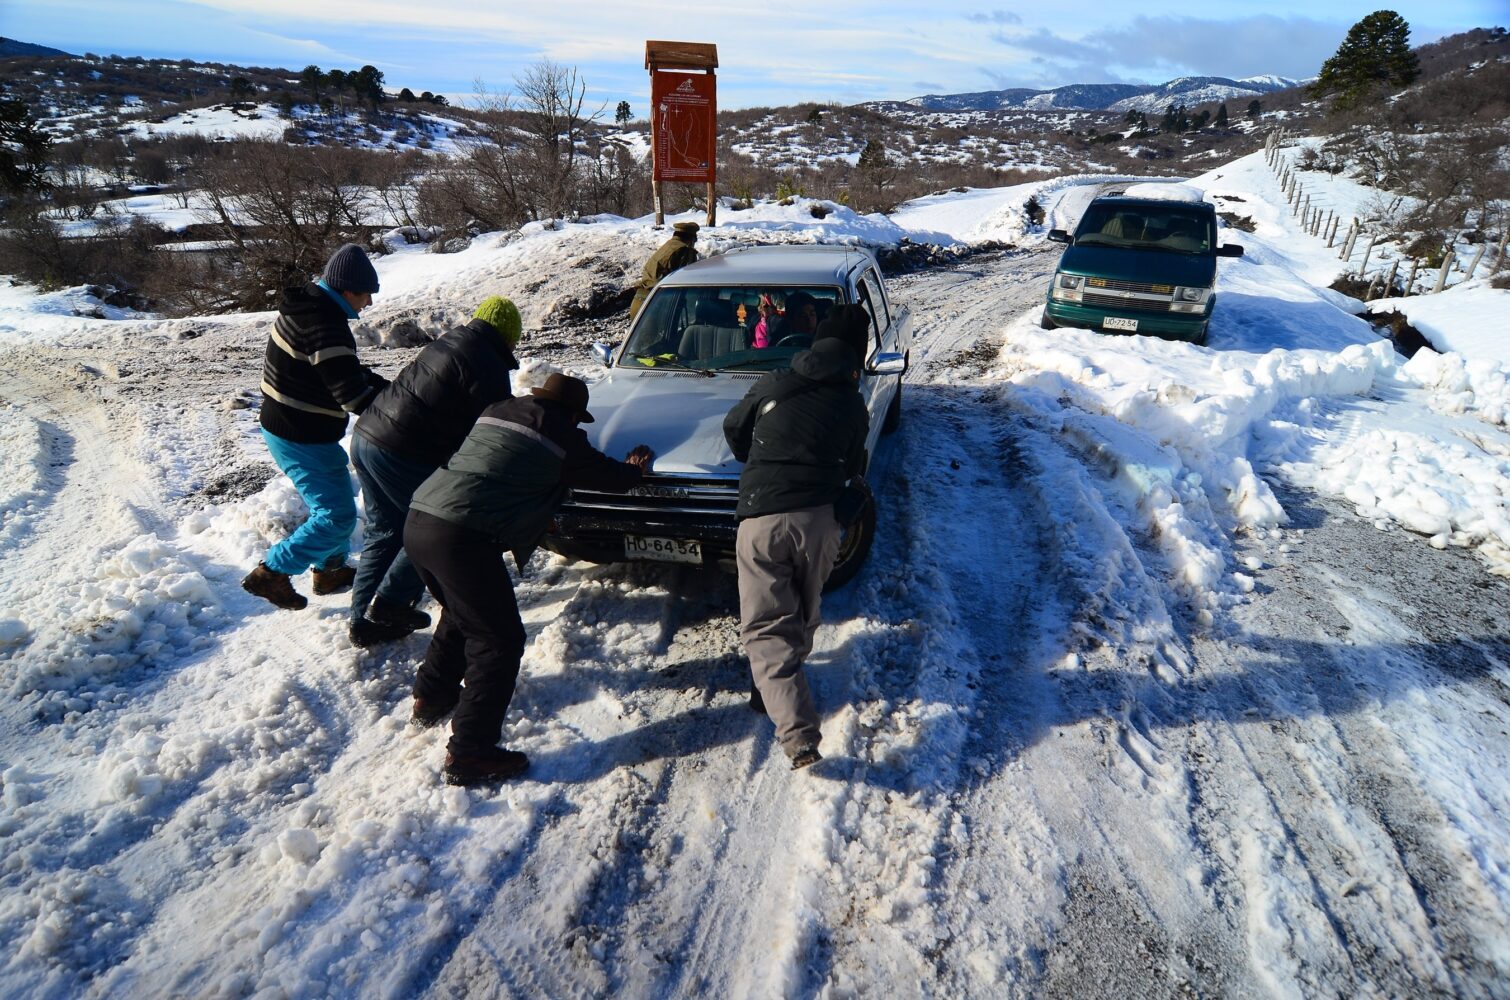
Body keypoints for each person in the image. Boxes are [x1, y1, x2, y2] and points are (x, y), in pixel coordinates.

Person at [403, 374, 655, 786]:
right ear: (573, 415)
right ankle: (470, 752)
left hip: (421, 517)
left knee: (461, 613)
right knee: (498, 642)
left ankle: (432, 695)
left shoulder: (498, 410)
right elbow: (608, 478)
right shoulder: (562, 436)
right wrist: (633, 471)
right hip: (460, 536)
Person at [721, 307, 870, 769]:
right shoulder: (853, 404)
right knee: (803, 610)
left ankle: (798, 734)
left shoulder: (774, 383)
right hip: (818, 523)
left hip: (762, 518)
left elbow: (734, 428)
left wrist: (761, 460)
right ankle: (773, 684)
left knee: (767, 625)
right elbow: (854, 467)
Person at [345, 296, 523, 647]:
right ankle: (391, 603)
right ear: (507, 336)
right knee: (431, 526)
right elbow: (492, 428)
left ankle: (360, 619)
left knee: (385, 530)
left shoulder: (449, 342)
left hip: (367, 436)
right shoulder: (487, 362)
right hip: (401, 450)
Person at [242, 243, 388, 611]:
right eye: (366, 294)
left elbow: (340, 370)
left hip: (295, 426)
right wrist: (401, 409)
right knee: (337, 515)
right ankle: (272, 572)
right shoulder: (324, 326)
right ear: (347, 290)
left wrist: (391, 388)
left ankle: (330, 570)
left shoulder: (308, 307)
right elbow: (354, 398)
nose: (369, 302)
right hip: (299, 434)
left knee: (334, 498)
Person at [628, 221, 699, 318]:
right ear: (691, 239)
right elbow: (685, 281)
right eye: (695, 240)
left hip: (640, 300)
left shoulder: (668, 245)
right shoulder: (685, 250)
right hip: (657, 305)